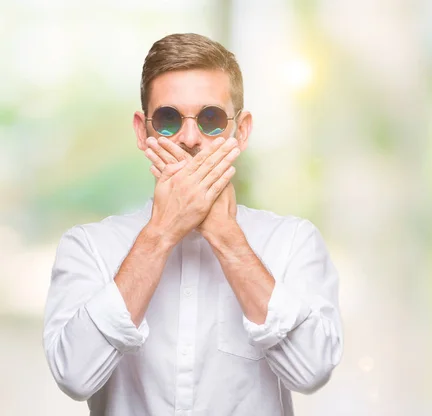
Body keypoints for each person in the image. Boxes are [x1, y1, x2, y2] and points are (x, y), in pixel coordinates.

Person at [43, 33, 343, 416]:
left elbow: (312, 371)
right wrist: (161, 233)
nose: (189, 138)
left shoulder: (293, 242)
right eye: (168, 120)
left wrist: (226, 238)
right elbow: (74, 375)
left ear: (242, 130)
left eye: (211, 119)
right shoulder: (89, 247)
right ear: (142, 130)